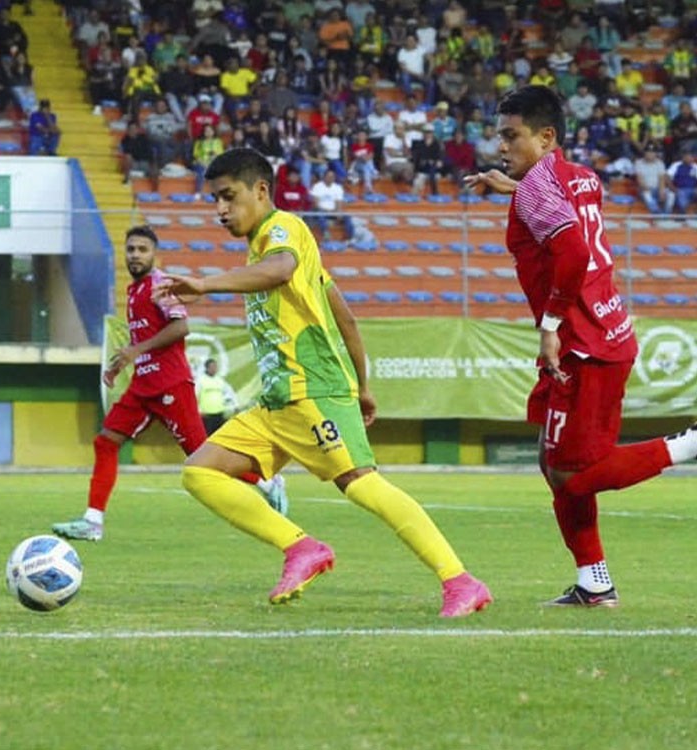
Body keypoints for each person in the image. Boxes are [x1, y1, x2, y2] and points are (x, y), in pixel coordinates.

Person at [155, 149, 492, 615]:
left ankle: (460, 580)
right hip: (278, 402)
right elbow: (345, 317)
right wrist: (364, 387)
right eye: (215, 199)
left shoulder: (283, 229)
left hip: (313, 390)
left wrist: (205, 283)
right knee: (200, 471)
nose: (220, 209)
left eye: (228, 196)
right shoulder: (272, 249)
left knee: (361, 485)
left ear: (261, 191)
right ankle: (301, 548)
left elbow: (281, 270)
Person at [464, 86, 697, 607]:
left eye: (512, 136)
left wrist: (550, 323)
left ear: (546, 136)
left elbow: (571, 250)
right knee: (553, 462)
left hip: (582, 342)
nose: (501, 145)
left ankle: (688, 444)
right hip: (603, 330)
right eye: (500, 135)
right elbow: (558, 206)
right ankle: (595, 582)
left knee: (572, 475)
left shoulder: (536, 189)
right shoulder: (581, 177)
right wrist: (514, 187)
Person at [51, 226, 288, 543]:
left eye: (142, 249)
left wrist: (137, 350)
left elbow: (181, 327)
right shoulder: (134, 291)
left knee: (202, 456)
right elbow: (145, 336)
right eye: (131, 249)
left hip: (170, 385)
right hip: (142, 386)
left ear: (154, 254)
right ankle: (93, 521)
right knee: (106, 442)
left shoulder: (159, 285)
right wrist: (122, 362)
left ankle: (267, 483)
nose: (135, 255)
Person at [196, 358, 237, 435]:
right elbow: (196, 396)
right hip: (207, 414)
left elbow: (229, 393)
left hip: (219, 413)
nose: (214, 369)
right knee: (209, 436)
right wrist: (199, 410)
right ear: (207, 368)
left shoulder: (220, 380)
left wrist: (234, 405)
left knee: (220, 435)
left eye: (215, 366)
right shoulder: (200, 380)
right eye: (212, 367)